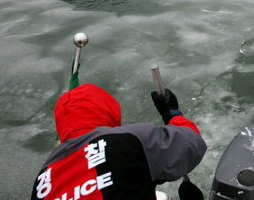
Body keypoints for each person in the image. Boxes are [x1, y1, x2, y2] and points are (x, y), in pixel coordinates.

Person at [31, 83, 207, 200]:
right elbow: (191, 143)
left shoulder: (43, 178)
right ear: (108, 109)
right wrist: (172, 113)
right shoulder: (131, 139)